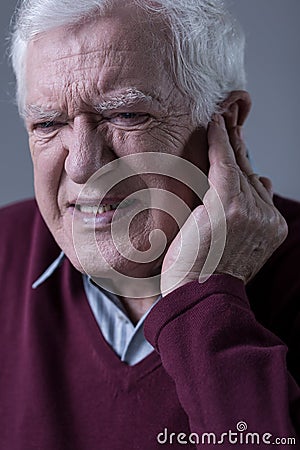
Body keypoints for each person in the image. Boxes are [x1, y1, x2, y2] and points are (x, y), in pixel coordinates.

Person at [0, 0, 299, 448]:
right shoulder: (5, 249)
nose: (82, 165)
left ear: (229, 121)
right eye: (48, 123)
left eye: (126, 115)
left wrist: (205, 299)